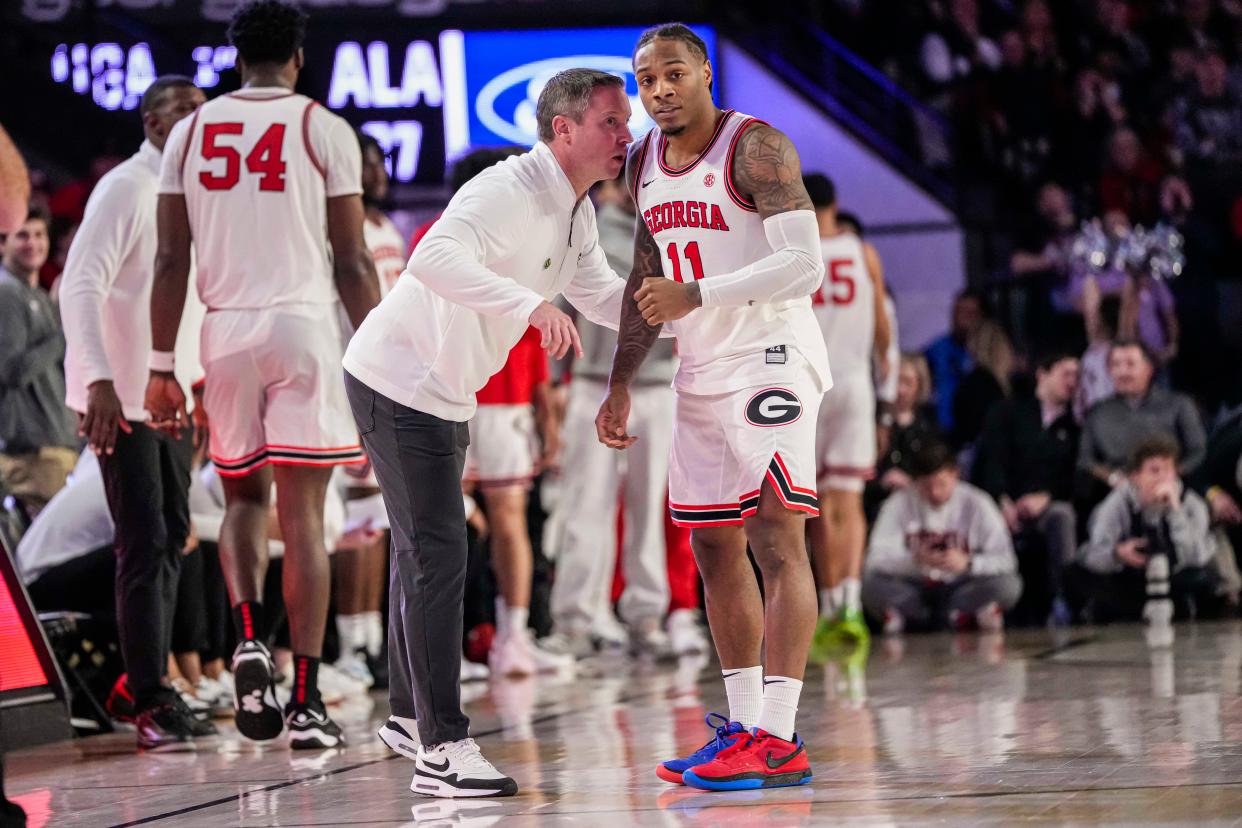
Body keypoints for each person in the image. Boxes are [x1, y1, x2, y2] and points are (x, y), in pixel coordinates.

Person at [342, 68, 636, 797]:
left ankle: (411, 716)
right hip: (397, 382)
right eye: (611, 122)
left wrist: (677, 317)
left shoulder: (575, 209)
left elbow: (598, 289)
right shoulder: (506, 188)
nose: (627, 136)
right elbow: (432, 256)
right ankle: (442, 745)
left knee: (426, 551)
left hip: (440, 392)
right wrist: (530, 306)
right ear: (563, 129)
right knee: (438, 552)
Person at [145, 0, 381, 750]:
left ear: (234, 58)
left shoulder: (189, 130)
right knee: (303, 515)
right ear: (299, 58)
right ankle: (307, 699)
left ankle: (246, 636)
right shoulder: (321, 126)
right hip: (300, 322)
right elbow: (352, 260)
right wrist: (381, 354)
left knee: (242, 500)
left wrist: (159, 367)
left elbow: (169, 260)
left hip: (224, 330)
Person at [598, 23, 828, 792]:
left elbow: (804, 264)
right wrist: (622, 379)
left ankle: (780, 733)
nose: (658, 90)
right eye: (645, 80)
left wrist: (699, 294)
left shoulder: (757, 147)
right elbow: (645, 278)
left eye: (672, 74)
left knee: (774, 534)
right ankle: (744, 728)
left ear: (703, 73)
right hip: (698, 365)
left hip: (773, 355)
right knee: (711, 545)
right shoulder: (641, 167)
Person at [58, 75, 208, 750]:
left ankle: (135, 684)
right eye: (181, 113)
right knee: (144, 541)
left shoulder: (197, 191)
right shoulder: (127, 186)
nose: (194, 123)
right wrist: (95, 383)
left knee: (173, 533)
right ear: (151, 124)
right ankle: (149, 696)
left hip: (170, 392)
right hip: (121, 396)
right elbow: (80, 283)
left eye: (202, 112)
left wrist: (196, 383)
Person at [548, 173, 684, 660]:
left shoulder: (676, 234)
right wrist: (554, 381)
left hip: (656, 387)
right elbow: (559, 308)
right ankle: (575, 623)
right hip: (592, 385)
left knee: (650, 509)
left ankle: (646, 617)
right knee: (585, 506)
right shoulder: (588, 230)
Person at [802, 172, 890, 654]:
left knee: (812, 508)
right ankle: (851, 605)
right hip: (855, 383)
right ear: (837, 202)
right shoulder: (862, 252)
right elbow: (882, 326)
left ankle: (830, 605)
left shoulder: (793, 251)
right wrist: (890, 386)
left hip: (808, 382)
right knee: (848, 501)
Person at [332, 132, 407, 690]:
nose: (376, 171)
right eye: (365, 162)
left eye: (380, 160)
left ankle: (375, 643)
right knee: (357, 516)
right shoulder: (338, 227)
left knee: (379, 519)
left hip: (391, 377)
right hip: (349, 376)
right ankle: (349, 644)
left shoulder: (386, 228)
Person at [465, 326, 571, 676]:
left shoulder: (523, 274)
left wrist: (547, 418)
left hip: (508, 400)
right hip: (452, 391)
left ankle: (514, 635)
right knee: (451, 522)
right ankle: (447, 644)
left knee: (510, 519)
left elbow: (534, 333)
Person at [863, 441, 1022, 633]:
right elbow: (875, 560)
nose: (935, 492)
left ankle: (947, 615)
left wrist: (968, 563)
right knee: (868, 584)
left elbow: (1006, 560)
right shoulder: (898, 503)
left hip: (961, 585)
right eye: (926, 486)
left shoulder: (977, 502)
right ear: (916, 481)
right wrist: (913, 561)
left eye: (941, 484)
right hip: (915, 587)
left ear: (955, 474)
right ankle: (948, 617)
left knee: (1009, 585)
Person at [972, 353, 1080, 623]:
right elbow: (990, 461)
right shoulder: (1007, 412)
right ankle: (979, 602)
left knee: (1062, 516)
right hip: (1000, 502)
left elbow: (1074, 478)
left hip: (1044, 507)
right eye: (1066, 373)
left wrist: (1047, 497)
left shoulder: (1074, 428)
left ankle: (1064, 599)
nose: (1073, 382)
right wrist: (1001, 499)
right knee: (983, 517)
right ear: (1043, 374)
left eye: (1077, 376)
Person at [1080, 435, 1217, 623]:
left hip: (1177, 576)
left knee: (1204, 577)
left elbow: (1197, 556)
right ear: (1136, 476)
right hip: (1131, 578)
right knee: (1082, 576)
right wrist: (1117, 553)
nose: (1163, 477)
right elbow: (1093, 554)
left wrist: (1176, 512)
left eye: (1168, 470)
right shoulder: (1116, 503)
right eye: (1154, 471)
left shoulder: (1192, 504)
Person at [0, 207, 77, 516]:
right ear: (3, 243)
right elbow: (10, 370)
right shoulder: (7, 294)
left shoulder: (38, 296)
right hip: (33, 456)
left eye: (39, 234)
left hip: (51, 451)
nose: (33, 243)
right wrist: (62, 333)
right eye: (23, 236)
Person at [1078, 340, 1206, 508]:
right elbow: (1085, 460)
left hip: (1172, 490)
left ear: (1149, 369)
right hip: (1116, 495)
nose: (1122, 372)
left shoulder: (1179, 404)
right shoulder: (1098, 412)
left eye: (1130, 364)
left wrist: (1168, 475)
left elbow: (1198, 451)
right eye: (1116, 365)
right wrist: (1112, 477)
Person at [924, 290, 983, 433]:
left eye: (970, 313)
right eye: (959, 312)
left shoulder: (987, 352)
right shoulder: (938, 349)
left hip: (979, 430)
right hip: (944, 427)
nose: (963, 319)